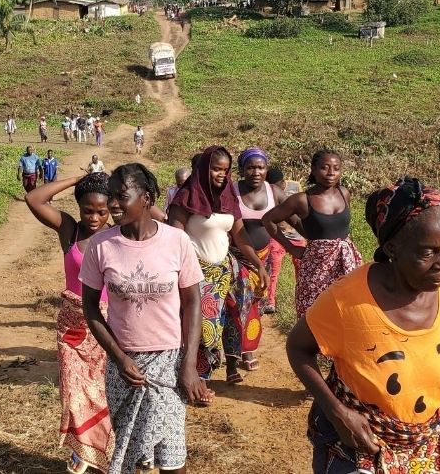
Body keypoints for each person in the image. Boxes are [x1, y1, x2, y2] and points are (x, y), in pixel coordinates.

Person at [286, 176, 440, 474]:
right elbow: (298, 348)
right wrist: (337, 413)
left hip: (432, 445)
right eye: (428, 252)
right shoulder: (347, 300)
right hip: (361, 445)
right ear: (392, 248)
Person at [80, 163, 213, 474]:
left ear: (147, 199)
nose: (113, 204)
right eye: (110, 196)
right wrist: (119, 357)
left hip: (168, 362)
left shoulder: (176, 241)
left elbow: (193, 302)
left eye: (121, 196)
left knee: (171, 453)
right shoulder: (101, 246)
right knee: (131, 455)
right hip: (123, 366)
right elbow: (90, 309)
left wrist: (189, 365)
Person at [26, 173, 114, 474]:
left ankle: (104, 451)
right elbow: (34, 198)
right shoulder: (69, 231)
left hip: (107, 326)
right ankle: (81, 450)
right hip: (73, 327)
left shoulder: (118, 234)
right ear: (78, 207)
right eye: (87, 209)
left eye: (102, 211)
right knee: (74, 393)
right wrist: (80, 178)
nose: (94, 217)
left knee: (103, 391)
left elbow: (158, 216)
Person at [167, 146, 268, 384]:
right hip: (197, 272)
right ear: (204, 169)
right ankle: (199, 378)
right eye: (215, 169)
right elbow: (174, 238)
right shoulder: (186, 198)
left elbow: (241, 236)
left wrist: (258, 265)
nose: (221, 174)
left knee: (234, 318)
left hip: (226, 269)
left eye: (225, 169)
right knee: (203, 326)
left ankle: (230, 366)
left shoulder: (228, 198)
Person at [263, 149, 362, 319]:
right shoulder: (302, 199)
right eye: (325, 167)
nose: (331, 173)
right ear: (313, 169)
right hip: (316, 265)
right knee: (313, 311)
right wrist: (291, 248)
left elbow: (335, 227)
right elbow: (268, 220)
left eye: (336, 168)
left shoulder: (344, 193)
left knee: (345, 311)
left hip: (346, 262)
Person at [231, 148, 289, 369]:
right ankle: (237, 351)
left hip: (263, 257)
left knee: (255, 304)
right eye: (251, 167)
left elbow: (295, 215)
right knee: (238, 303)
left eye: (261, 167)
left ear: (267, 169)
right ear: (242, 169)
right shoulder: (232, 191)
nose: (256, 172)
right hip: (236, 256)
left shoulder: (274, 192)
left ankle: (247, 347)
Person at [262, 166, 306, 314]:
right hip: (278, 236)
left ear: (282, 183)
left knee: (302, 271)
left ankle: (302, 300)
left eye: (275, 186)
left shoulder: (295, 186)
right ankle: (270, 301)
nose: (273, 189)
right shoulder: (266, 190)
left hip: (297, 235)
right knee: (274, 271)